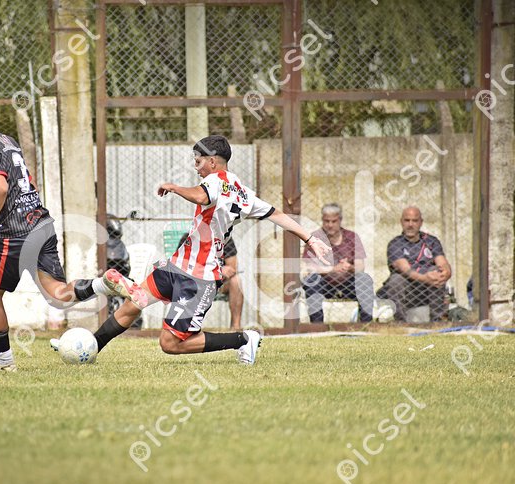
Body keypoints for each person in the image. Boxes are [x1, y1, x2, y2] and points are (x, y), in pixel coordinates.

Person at [57, 135, 330, 365]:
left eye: (198, 161)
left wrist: (174, 187)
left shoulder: (215, 180)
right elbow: (276, 213)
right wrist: (309, 238)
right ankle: (90, 348)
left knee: (170, 343)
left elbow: (201, 195)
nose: (196, 167)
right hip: (177, 266)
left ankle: (244, 339)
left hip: (198, 278)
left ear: (212, 161)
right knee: (133, 304)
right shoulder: (242, 191)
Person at [0, 93, 137, 372]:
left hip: (13, 232)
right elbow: (27, 179)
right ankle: (103, 284)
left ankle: (3, 362)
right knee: (57, 296)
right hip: (40, 222)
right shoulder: (6, 140)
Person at [301, 203, 374, 322]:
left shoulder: (352, 237)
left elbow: (360, 266)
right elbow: (310, 268)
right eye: (326, 221)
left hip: (348, 283)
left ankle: (366, 324)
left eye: (334, 221)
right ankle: (317, 326)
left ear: (340, 220)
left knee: (365, 279)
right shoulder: (315, 238)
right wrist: (333, 269)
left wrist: (349, 267)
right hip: (324, 284)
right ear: (322, 220)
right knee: (311, 280)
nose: (330, 225)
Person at [377, 206, 452, 321]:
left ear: (421, 222)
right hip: (408, 291)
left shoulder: (431, 241)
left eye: (415, 221)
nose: (410, 224)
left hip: (428, 290)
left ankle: (436, 321)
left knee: (436, 272)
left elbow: (442, 262)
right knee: (396, 280)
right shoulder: (395, 244)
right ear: (401, 222)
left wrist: (446, 273)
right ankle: (400, 323)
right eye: (407, 220)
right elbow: (405, 269)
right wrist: (425, 278)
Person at [178, 232, 244, 329]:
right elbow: (182, 266)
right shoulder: (189, 238)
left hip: (218, 284)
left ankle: (236, 328)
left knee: (236, 280)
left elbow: (232, 268)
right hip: (196, 283)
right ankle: (184, 327)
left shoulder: (225, 239)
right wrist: (218, 270)